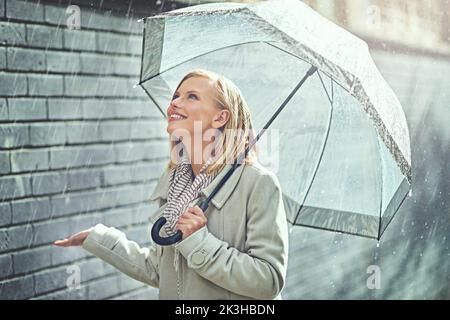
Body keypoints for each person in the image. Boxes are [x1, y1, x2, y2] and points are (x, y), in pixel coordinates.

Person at [54, 69, 289, 300]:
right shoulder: (176, 181)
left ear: (220, 117)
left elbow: (268, 281)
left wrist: (199, 241)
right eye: (176, 95)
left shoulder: (258, 183)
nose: (175, 102)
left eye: (192, 96)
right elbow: (162, 271)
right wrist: (99, 239)